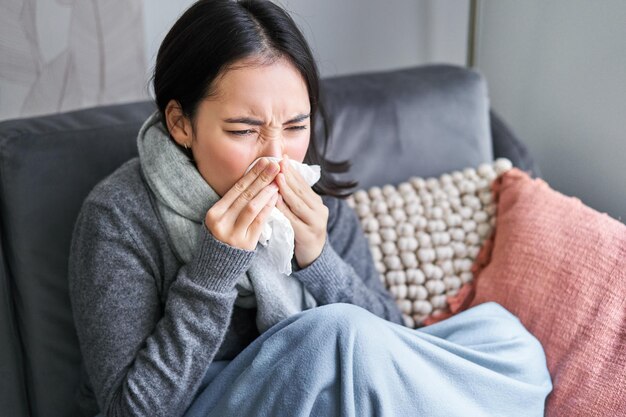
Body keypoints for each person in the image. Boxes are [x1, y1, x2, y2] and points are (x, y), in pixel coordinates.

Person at [68, 1, 553, 416]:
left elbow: (391, 342)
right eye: (243, 129)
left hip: (331, 396)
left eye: (296, 126)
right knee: (337, 334)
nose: (277, 156)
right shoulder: (119, 216)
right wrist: (212, 272)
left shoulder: (311, 201)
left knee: (505, 338)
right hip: (214, 399)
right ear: (181, 124)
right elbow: (129, 409)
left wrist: (318, 258)